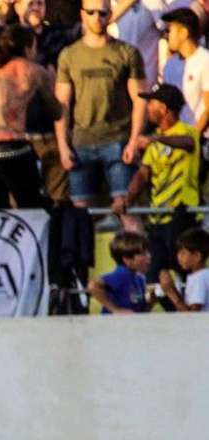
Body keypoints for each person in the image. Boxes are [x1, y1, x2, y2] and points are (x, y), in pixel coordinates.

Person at [55, 0, 147, 225]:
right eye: (91, 12)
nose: (97, 17)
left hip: (118, 140)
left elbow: (140, 100)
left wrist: (134, 141)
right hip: (81, 143)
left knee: (126, 210)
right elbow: (61, 105)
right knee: (79, 216)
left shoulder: (127, 52)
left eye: (103, 13)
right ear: (82, 14)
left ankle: (134, 258)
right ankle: (80, 260)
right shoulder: (69, 55)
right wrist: (63, 147)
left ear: (110, 14)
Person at [0, 25, 62, 209]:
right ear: (27, 47)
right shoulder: (31, 70)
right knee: (32, 207)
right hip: (10, 147)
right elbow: (56, 112)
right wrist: (52, 82)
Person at [120, 84, 200, 290]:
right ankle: (174, 311)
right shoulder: (153, 139)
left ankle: (191, 312)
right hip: (158, 216)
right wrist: (127, 198)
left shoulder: (187, 131)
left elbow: (188, 143)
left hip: (182, 213)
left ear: (164, 109)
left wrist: (156, 138)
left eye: (151, 104)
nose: (147, 108)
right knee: (154, 277)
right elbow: (143, 174)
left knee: (183, 270)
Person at [161, 8, 209, 178]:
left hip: (202, 140)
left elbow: (208, 107)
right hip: (177, 140)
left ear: (183, 32)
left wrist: (193, 137)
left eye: (170, 30)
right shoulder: (170, 65)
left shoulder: (205, 60)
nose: (167, 35)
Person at [87, 230, 154, 313]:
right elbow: (93, 286)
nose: (149, 256)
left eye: (148, 252)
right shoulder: (121, 275)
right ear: (127, 259)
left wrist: (151, 302)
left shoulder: (139, 279)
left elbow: (137, 313)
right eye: (143, 254)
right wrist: (115, 310)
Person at [159, 227, 209, 311]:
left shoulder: (199, 278)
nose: (178, 257)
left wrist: (171, 292)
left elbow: (193, 317)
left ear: (197, 256)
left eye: (183, 253)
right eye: (178, 252)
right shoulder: (202, 275)